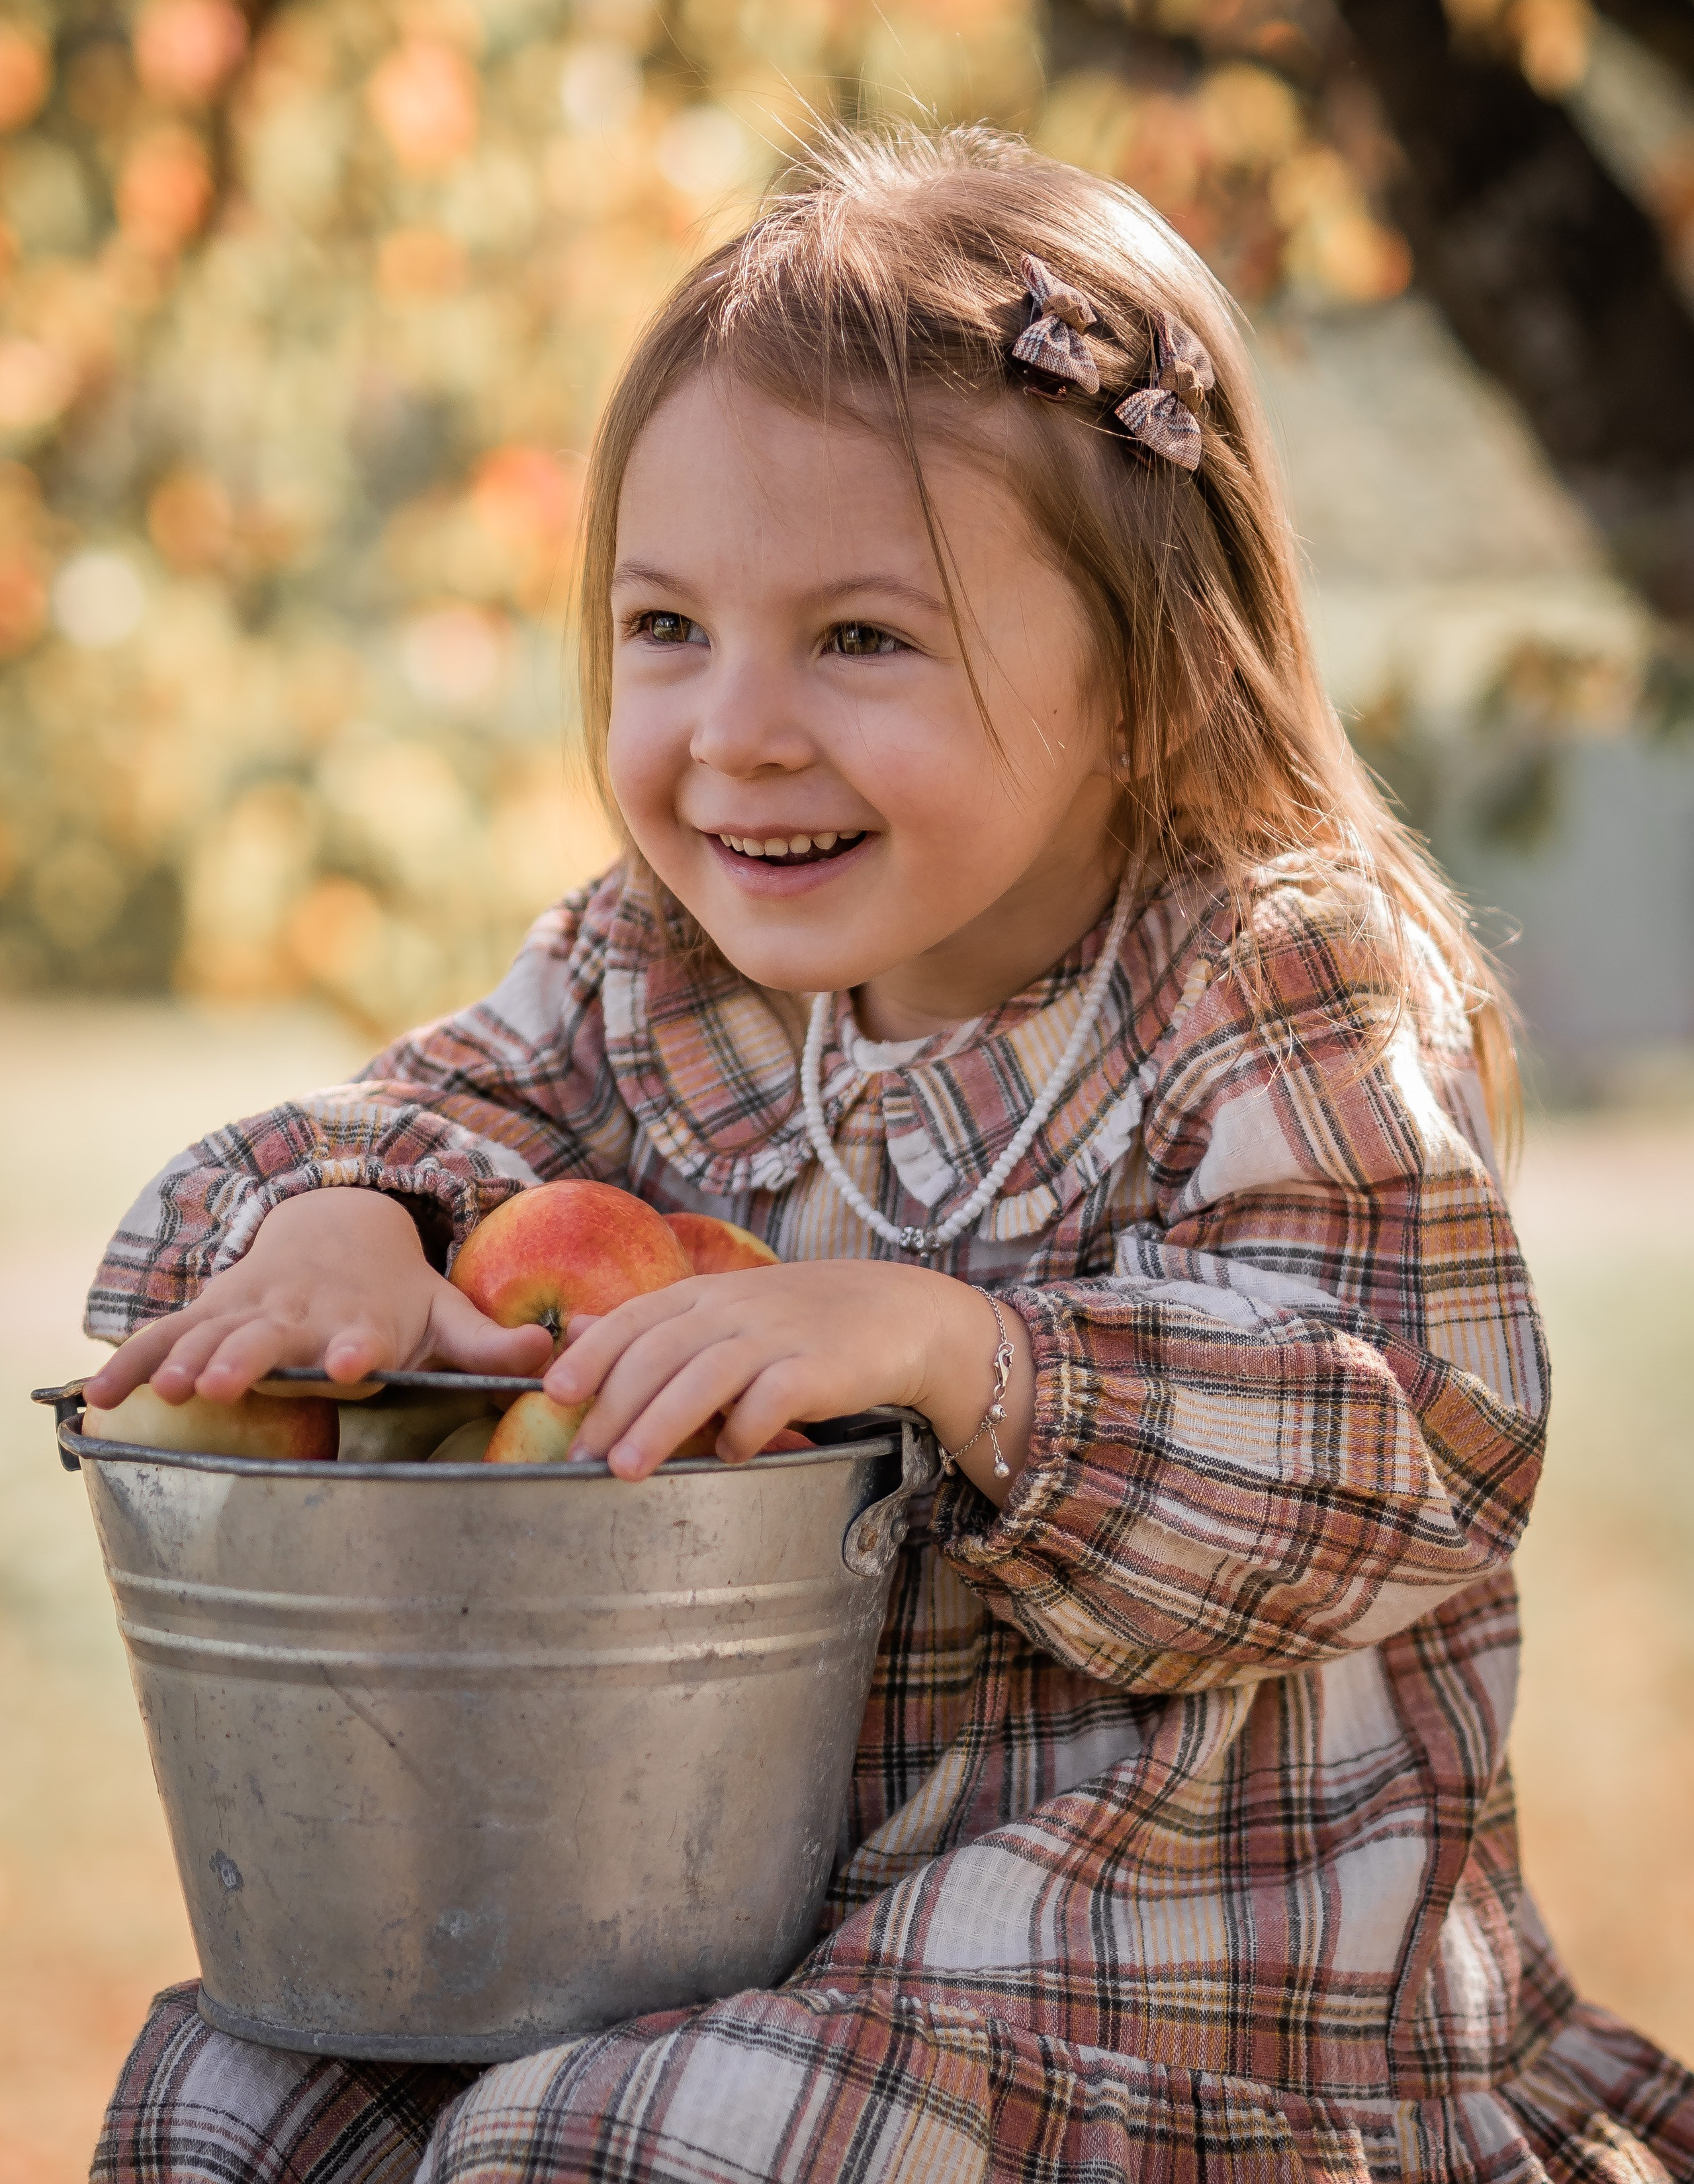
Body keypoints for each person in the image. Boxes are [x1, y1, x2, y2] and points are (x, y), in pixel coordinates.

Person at [85, 124, 1693, 2184]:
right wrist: (349, 1217)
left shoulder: (1265, 982)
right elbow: (404, 1133)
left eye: (859, 639)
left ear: (1144, 681)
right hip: (708, 1914)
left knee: (638, 2140)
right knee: (241, 2095)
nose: (734, 729)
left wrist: (965, 1354)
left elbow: (1416, 1451)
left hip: (1145, 1976)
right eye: (666, 626)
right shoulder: (655, 980)